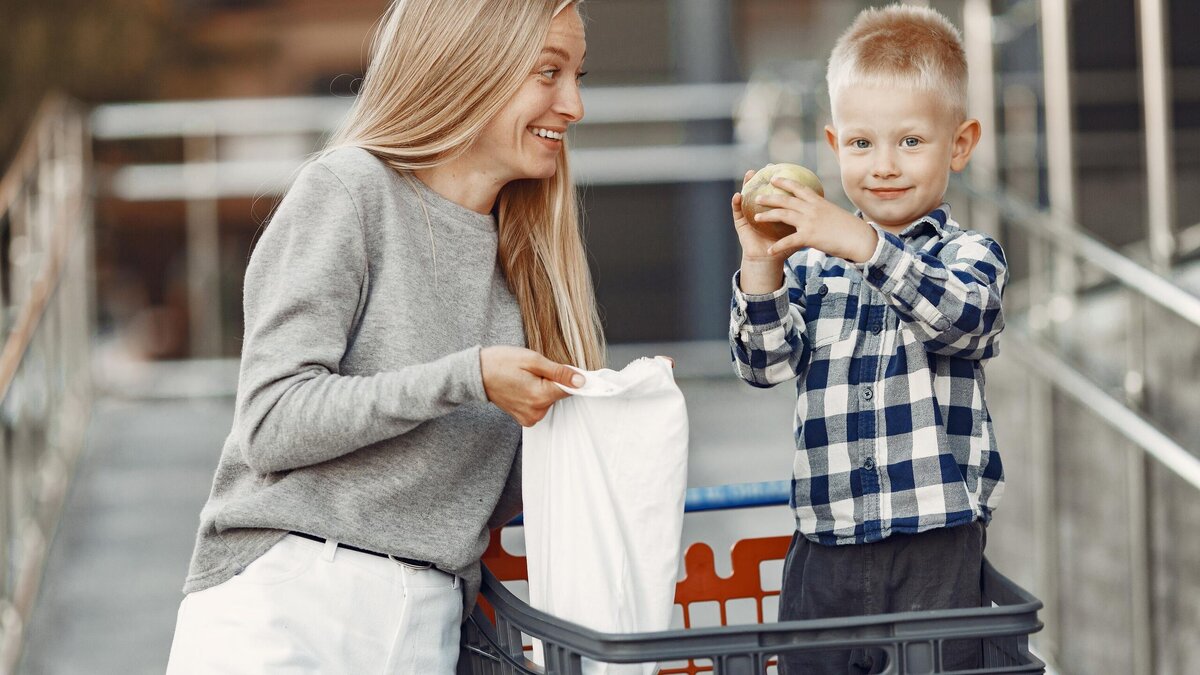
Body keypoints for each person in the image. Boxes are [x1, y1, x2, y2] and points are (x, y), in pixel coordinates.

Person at [165, 1, 601, 672]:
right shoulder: (347, 191)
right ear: (469, 66)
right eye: (549, 72)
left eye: (576, 74)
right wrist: (468, 377)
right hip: (289, 604)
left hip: (423, 624)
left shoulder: (532, 260)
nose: (572, 104)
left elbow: (483, 489)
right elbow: (272, 419)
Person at [727, 5, 1006, 673]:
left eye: (910, 141)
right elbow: (762, 365)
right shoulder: (811, 263)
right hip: (824, 544)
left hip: (935, 545)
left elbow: (964, 319)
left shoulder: (970, 254)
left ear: (960, 144)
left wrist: (866, 246)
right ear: (833, 143)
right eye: (860, 144)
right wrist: (762, 264)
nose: (883, 165)